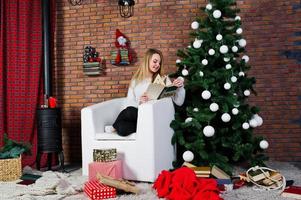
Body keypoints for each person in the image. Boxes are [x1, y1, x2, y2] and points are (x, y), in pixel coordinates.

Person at [105, 48, 185, 136]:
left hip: (155, 116)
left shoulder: (163, 79)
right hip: (138, 116)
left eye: (159, 63)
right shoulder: (135, 80)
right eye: (155, 61)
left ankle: (113, 126)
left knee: (129, 112)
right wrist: (140, 102)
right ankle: (120, 127)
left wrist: (180, 88)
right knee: (123, 128)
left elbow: (179, 102)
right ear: (147, 61)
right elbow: (129, 102)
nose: (157, 65)